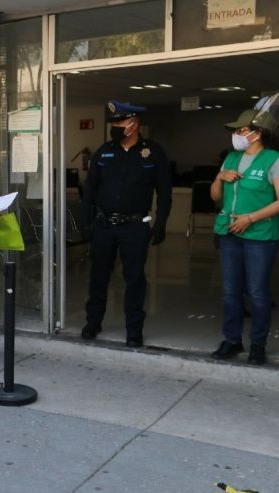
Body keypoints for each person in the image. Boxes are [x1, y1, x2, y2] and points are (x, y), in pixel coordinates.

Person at [79, 100, 172, 348]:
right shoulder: (104, 151)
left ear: (134, 124)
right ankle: (93, 322)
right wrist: (86, 223)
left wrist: (161, 223)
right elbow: (89, 190)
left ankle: (134, 330)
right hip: (105, 226)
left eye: (120, 122)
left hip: (135, 226)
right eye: (114, 123)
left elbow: (164, 192)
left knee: (134, 278)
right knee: (98, 276)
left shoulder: (153, 152)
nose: (116, 127)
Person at [210, 109, 279, 365]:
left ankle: (258, 344)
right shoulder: (231, 158)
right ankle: (232, 340)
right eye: (236, 130)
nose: (237, 134)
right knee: (231, 292)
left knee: (257, 293)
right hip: (229, 234)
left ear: (258, 133)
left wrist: (250, 218)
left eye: (242, 130)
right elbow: (216, 197)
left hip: (260, 235)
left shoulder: (275, 160)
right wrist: (219, 177)